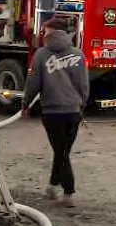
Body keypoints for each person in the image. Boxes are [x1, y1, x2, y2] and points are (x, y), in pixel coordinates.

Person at [23, 16, 89, 207]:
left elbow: (33, 83)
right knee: (63, 150)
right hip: (73, 111)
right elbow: (83, 84)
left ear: (50, 32)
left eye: (44, 31)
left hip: (51, 111)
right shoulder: (78, 54)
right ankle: (52, 186)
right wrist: (81, 104)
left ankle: (69, 192)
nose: (43, 34)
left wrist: (25, 104)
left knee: (61, 151)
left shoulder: (41, 55)